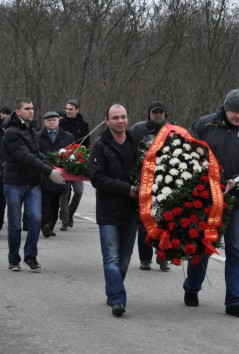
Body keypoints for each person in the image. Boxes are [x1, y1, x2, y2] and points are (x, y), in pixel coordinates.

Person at [183, 85, 239, 318]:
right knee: (202, 245)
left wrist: (236, 182)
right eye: (233, 111)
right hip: (205, 198)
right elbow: (187, 150)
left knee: (237, 250)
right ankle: (192, 287)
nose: (238, 116)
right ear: (225, 108)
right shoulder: (205, 124)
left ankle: (234, 301)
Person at [3, 98, 65, 272]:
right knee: (15, 224)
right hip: (14, 184)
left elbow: (36, 153)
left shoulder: (32, 129)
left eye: (32, 108)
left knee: (36, 219)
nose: (31, 111)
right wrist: (49, 172)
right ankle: (13, 258)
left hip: (33, 183)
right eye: (27, 109)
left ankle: (31, 256)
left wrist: (57, 166)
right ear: (17, 112)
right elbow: (25, 157)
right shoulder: (11, 132)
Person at [88, 104, 138, 317]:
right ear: (106, 121)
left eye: (123, 117)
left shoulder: (136, 143)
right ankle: (118, 299)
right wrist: (127, 189)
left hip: (131, 211)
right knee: (111, 257)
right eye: (115, 117)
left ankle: (112, 289)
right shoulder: (100, 145)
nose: (120, 121)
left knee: (124, 259)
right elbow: (97, 178)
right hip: (108, 211)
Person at [131, 101, 170, 272]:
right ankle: (145, 259)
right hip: (144, 181)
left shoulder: (171, 130)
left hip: (166, 183)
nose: (158, 115)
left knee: (165, 221)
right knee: (144, 222)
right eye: (155, 112)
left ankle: (163, 257)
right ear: (149, 114)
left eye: (161, 112)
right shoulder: (138, 130)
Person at [37, 111, 74, 237]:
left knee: (55, 201)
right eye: (49, 120)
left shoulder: (68, 136)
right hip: (44, 173)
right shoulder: (38, 136)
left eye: (54, 120)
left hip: (61, 174)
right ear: (44, 122)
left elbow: (73, 153)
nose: (51, 122)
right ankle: (45, 225)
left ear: (58, 121)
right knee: (45, 201)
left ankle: (50, 225)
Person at [59, 99, 90, 231]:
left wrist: (85, 156)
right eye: (66, 109)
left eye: (71, 109)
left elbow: (87, 143)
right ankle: (65, 220)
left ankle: (70, 213)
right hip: (63, 160)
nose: (68, 111)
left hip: (78, 161)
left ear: (77, 110)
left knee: (78, 191)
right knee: (64, 192)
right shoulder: (61, 124)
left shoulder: (83, 124)